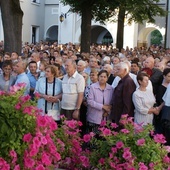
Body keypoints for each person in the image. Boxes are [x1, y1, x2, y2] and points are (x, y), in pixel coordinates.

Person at [87, 70, 113, 135]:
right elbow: (90, 101)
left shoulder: (111, 88)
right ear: (98, 77)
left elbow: (112, 102)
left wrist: (107, 111)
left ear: (107, 78)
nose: (102, 78)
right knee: (93, 138)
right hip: (94, 117)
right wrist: (103, 106)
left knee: (104, 138)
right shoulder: (93, 87)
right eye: (101, 76)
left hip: (106, 117)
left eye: (104, 77)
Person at [155, 68, 170, 133]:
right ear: (164, 76)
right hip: (164, 112)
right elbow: (163, 100)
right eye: (169, 76)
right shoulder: (161, 88)